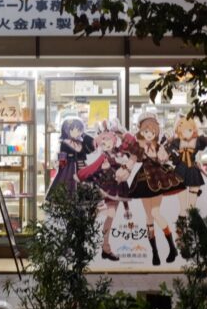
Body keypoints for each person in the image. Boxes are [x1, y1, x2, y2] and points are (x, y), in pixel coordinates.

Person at [130, 112, 185, 265]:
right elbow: (132, 160)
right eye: (146, 131)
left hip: (157, 179)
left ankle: (172, 247)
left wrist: (164, 156)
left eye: (152, 131)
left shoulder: (159, 146)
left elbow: (164, 157)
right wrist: (125, 169)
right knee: (149, 217)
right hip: (143, 181)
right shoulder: (139, 146)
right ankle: (155, 252)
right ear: (141, 131)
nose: (149, 134)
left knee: (155, 212)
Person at [77, 119, 130, 261]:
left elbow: (129, 145)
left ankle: (104, 248)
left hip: (116, 190)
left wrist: (122, 134)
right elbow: (91, 168)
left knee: (110, 217)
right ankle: (92, 245)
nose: (106, 143)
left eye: (109, 140)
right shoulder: (103, 156)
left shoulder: (119, 153)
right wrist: (78, 176)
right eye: (103, 141)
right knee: (102, 216)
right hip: (105, 189)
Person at [47, 116, 95, 197]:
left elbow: (92, 147)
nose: (80, 132)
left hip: (83, 169)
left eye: (81, 130)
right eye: (78, 130)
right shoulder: (65, 143)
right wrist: (60, 166)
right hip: (69, 170)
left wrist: (84, 136)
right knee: (70, 190)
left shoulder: (81, 142)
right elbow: (62, 160)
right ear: (68, 130)